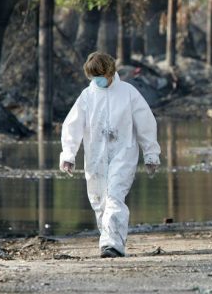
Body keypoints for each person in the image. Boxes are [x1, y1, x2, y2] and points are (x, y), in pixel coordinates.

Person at [59, 52, 161, 258]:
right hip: (95, 158)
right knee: (100, 202)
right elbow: (72, 126)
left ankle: (112, 245)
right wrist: (68, 154)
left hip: (123, 154)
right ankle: (108, 240)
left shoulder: (128, 93)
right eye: (92, 77)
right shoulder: (87, 97)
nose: (97, 80)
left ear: (110, 72)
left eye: (100, 75)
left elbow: (146, 124)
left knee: (115, 195)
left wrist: (151, 153)